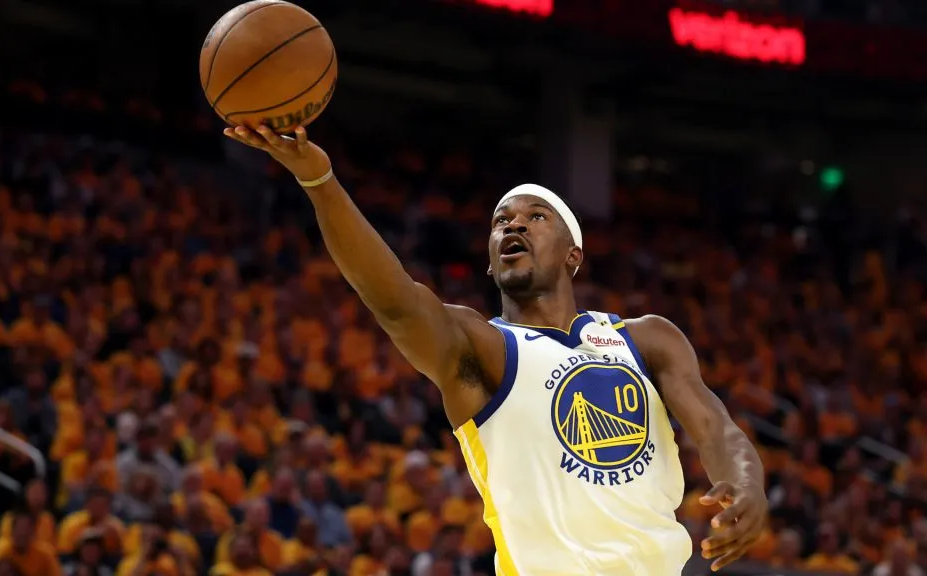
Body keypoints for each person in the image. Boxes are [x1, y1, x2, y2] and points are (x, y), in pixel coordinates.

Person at [223, 124, 769, 574]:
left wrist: (747, 486)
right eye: (501, 221)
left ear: (573, 256)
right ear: (490, 261)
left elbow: (716, 429)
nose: (514, 224)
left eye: (536, 217)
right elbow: (392, 300)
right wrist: (318, 179)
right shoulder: (481, 349)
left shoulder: (647, 338)